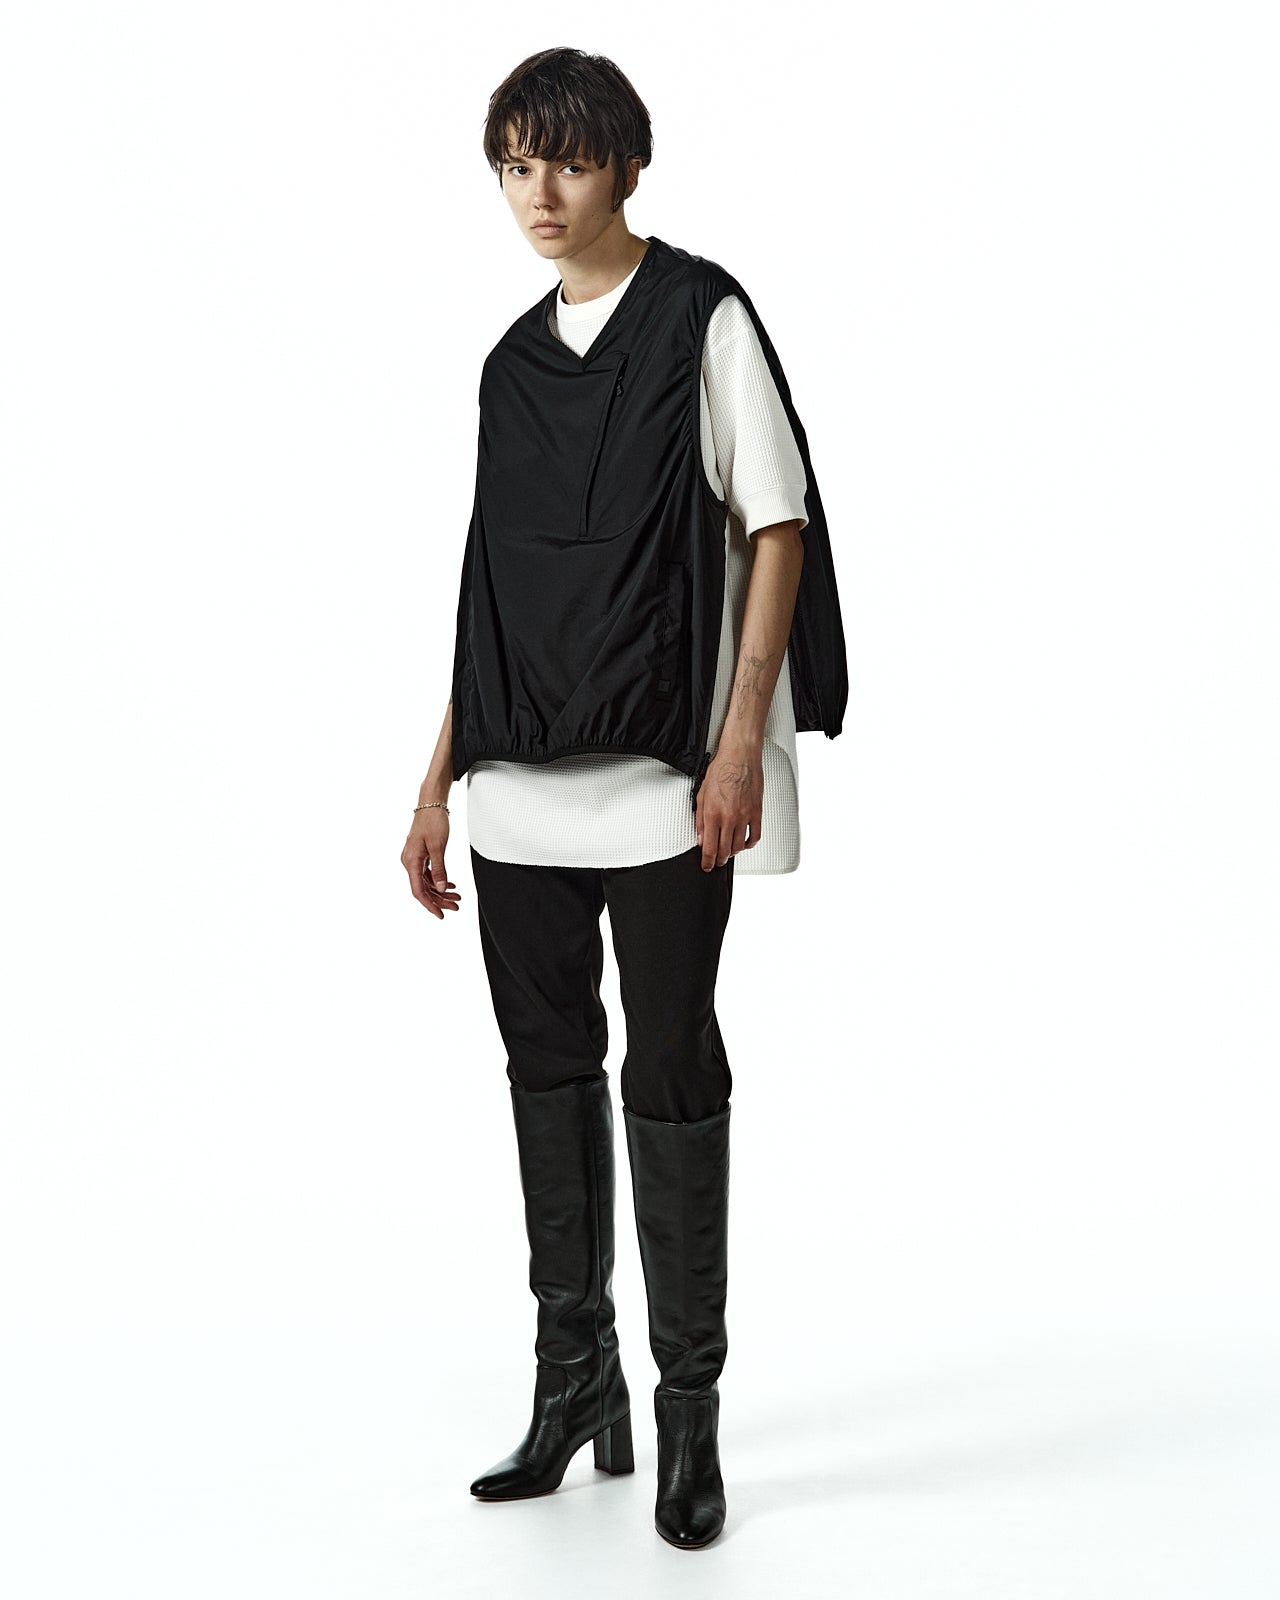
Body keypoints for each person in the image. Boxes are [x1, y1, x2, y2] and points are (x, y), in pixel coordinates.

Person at [400, 46, 847, 1551]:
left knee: (669, 1071)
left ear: (629, 168)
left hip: (663, 789)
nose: (540, 193)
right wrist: (434, 782)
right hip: (517, 794)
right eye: (515, 164)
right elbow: (491, 589)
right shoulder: (507, 367)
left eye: (569, 162)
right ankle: (573, 1379)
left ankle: (688, 1411)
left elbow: (775, 524)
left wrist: (737, 747)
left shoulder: (700, 317)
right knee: (545, 1072)